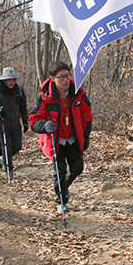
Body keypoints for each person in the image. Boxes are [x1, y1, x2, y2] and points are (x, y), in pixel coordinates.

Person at [29, 61, 92, 213]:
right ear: (53, 79)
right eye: (61, 77)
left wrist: (86, 136)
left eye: (67, 76)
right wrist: (44, 126)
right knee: (60, 172)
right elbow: (33, 120)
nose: (66, 80)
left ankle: (64, 188)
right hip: (55, 141)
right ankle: (61, 201)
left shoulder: (77, 93)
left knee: (77, 169)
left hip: (73, 138)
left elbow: (87, 115)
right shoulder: (44, 96)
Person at [0, 67, 29, 180]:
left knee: (17, 146)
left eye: (13, 79)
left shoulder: (19, 90)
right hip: (1, 124)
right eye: (9, 79)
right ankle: (8, 171)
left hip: (15, 123)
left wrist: (25, 122)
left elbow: (23, 107)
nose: (11, 82)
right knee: (7, 147)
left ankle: (3, 159)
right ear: (4, 80)